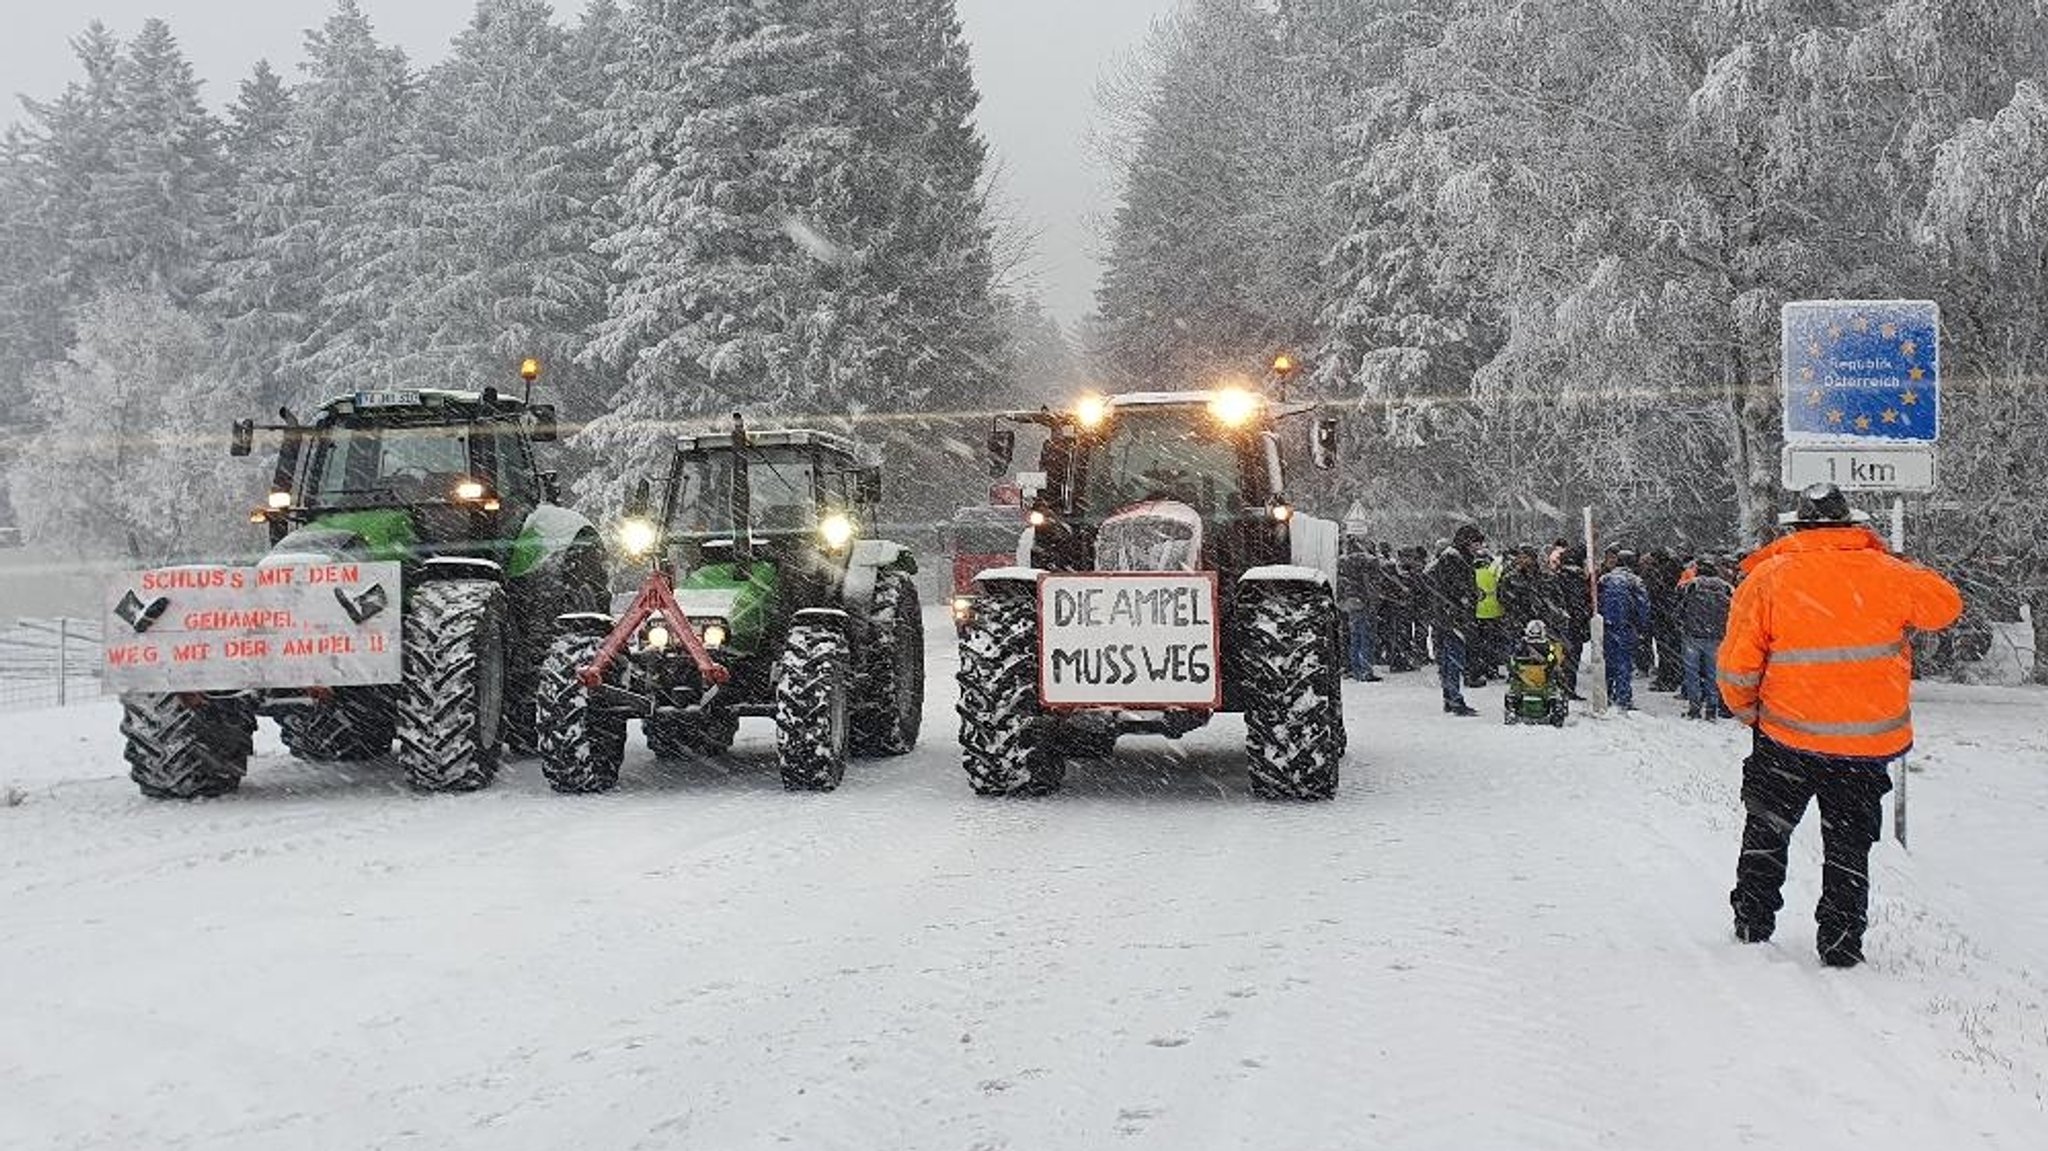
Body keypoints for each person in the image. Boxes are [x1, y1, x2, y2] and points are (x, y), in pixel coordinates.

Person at [1719, 483, 1962, 968]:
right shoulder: (1889, 575)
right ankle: (1841, 941)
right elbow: (1946, 606)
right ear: (1853, 525)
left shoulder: (1768, 578)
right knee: (1849, 846)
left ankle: (1753, 918)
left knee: (1767, 830)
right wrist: (1892, 561)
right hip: (1863, 746)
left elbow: (1738, 668)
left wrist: (1750, 713)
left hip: (1786, 737)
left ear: (1799, 526)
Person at [1425, 525, 1487, 716]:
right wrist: (1471, 596)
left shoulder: (1451, 557)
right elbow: (1456, 589)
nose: (1479, 548)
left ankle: (1450, 698)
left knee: (1448, 660)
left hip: (1446, 617)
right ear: (1466, 541)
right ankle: (1454, 700)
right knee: (1453, 660)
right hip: (1453, 619)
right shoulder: (1455, 559)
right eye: (1476, 543)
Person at [1675, 558, 1734, 719]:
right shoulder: (1726, 587)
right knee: (1713, 674)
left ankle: (1694, 708)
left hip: (1693, 635)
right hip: (1717, 637)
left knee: (1692, 673)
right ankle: (1712, 708)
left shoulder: (1691, 585)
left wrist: (1681, 624)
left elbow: (1680, 605)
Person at [1598, 550, 1651, 710]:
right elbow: (1643, 606)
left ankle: (1607, 693)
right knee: (1624, 663)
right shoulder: (1635, 581)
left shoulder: (1604, 579)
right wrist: (1642, 627)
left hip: (1607, 626)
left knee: (1608, 662)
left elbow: (1596, 602)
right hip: (1627, 626)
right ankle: (1624, 697)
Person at [1336, 536, 1382, 682]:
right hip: (1364, 602)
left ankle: (1355, 670)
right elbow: (1371, 584)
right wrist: (1373, 601)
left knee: (1354, 637)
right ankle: (1366, 671)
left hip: (1349, 603)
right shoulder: (1369, 560)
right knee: (1366, 637)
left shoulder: (1343, 561)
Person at [1554, 546, 1594, 700]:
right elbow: (1583, 603)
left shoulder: (1558, 577)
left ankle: (1561, 687)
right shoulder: (1578, 579)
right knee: (1571, 658)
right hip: (1574, 624)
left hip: (1562, 624)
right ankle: (1567, 687)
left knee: (1561, 657)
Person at [1647, 548, 1684, 692]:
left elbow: (1655, 593)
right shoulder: (1676, 572)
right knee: (1673, 649)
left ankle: (1666, 679)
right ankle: (1674, 676)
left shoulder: (1661, 574)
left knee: (1664, 650)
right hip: (1673, 616)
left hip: (1662, 616)